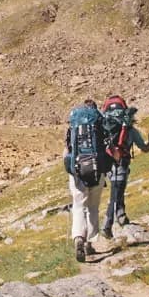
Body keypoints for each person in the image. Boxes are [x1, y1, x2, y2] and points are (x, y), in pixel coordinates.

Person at [101, 95, 149, 237]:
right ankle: (108, 224)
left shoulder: (106, 128)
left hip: (108, 164)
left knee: (116, 191)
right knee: (116, 193)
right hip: (122, 163)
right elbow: (145, 148)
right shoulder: (130, 130)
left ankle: (121, 215)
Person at [63, 98, 106, 262]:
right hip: (97, 169)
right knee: (93, 207)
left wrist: (70, 168)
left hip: (77, 170)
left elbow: (67, 149)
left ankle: (78, 238)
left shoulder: (74, 124)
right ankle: (89, 243)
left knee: (78, 206)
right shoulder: (99, 122)